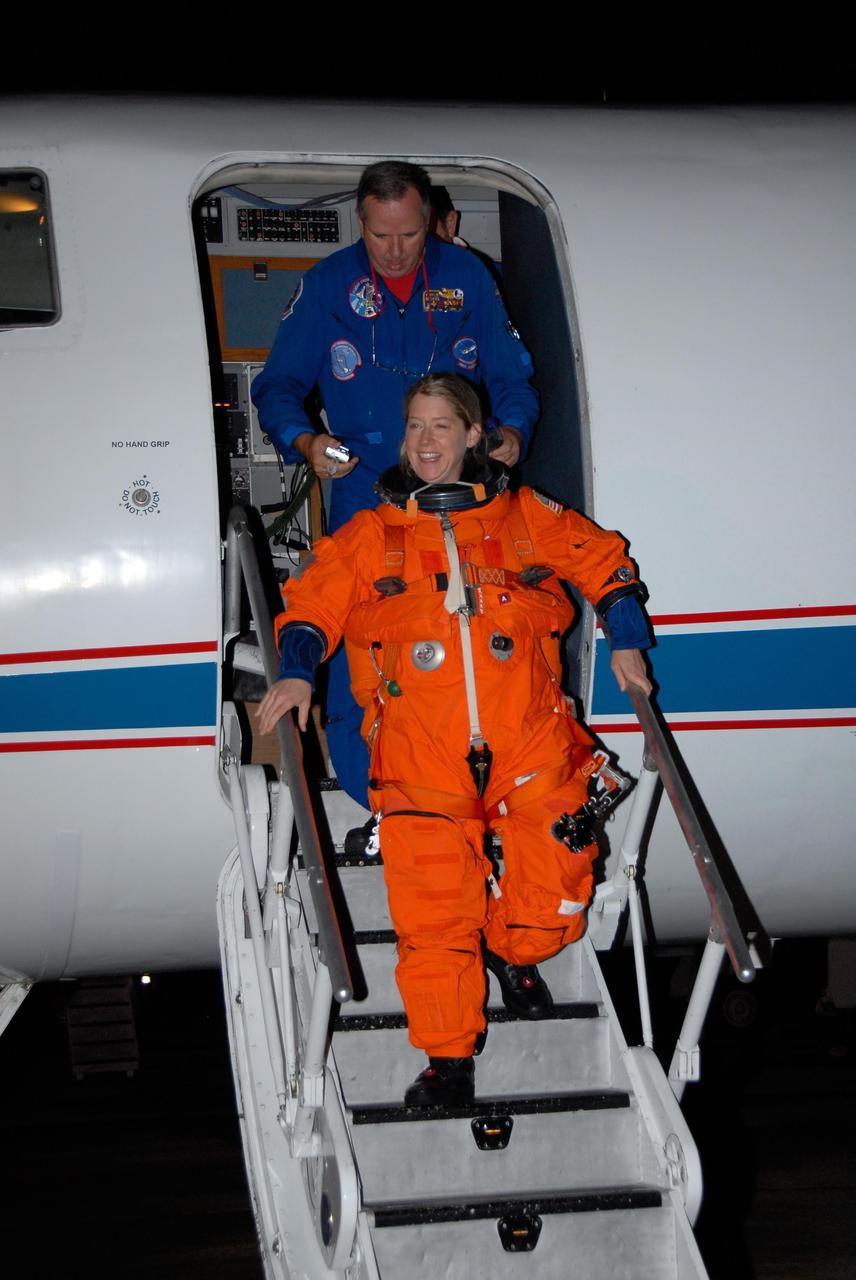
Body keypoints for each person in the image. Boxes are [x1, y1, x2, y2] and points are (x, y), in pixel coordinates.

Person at [258, 372, 652, 1107]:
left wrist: (625, 634)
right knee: (434, 910)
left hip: (530, 740)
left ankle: (510, 949)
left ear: (475, 435)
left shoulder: (524, 517)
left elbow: (600, 558)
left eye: (442, 425)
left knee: (558, 892)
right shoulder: (374, 535)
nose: (425, 441)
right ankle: (448, 1060)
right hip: (420, 752)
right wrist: (300, 673)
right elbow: (311, 604)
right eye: (414, 426)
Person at [252, 162, 539, 805]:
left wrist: (512, 431)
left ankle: (466, 792)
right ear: (361, 223)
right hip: (364, 489)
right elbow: (277, 387)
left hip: (462, 494)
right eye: (381, 237)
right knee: (365, 645)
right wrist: (306, 442)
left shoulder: (467, 279)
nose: (396, 251)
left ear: (429, 221)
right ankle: (372, 795)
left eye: (409, 235)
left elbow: (514, 378)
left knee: (466, 642)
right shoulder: (328, 286)